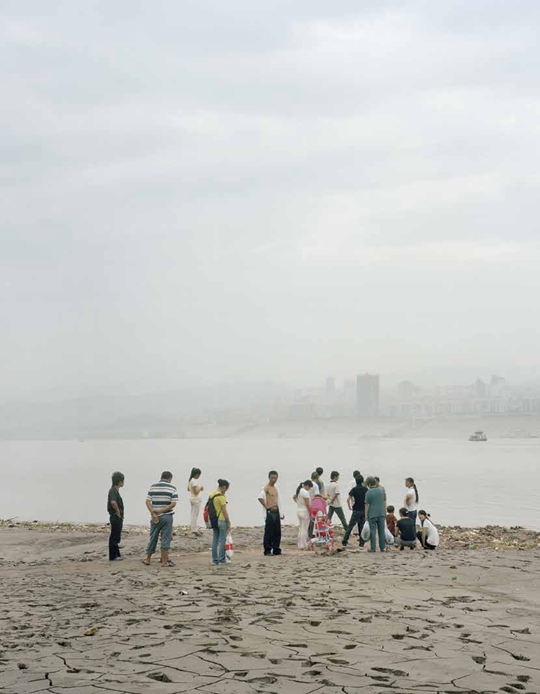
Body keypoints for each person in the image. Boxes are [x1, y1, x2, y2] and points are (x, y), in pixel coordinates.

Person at [142, 471, 178, 568]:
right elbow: (173, 503)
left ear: (161, 477)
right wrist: (161, 510)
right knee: (165, 538)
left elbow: (147, 502)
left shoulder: (153, 487)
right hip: (167, 516)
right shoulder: (172, 488)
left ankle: (148, 559)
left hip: (155, 517)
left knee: (153, 537)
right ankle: (164, 562)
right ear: (170, 478)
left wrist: (153, 513)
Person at [257, 470, 284, 556]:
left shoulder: (275, 487)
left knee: (277, 531)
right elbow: (260, 497)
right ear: (269, 478)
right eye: (272, 478)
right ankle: (267, 550)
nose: (273, 480)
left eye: (275, 478)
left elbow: (278, 500)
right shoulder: (266, 488)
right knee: (269, 531)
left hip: (276, 511)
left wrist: (281, 512)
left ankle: (276, 549)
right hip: (270, 512)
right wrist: (266, 506)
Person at [341, 474, 367, 548]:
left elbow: (348, 499)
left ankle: (344, 541)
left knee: (350, 526)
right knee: (362, 527)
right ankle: (361, 544)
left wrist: (350, 507)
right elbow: (367, 501)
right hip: (363, 510)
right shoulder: (366, 489)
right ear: (362, 481)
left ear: (356, 481)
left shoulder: (354, 489)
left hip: (356, 510)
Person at [210, 479, 232, 565]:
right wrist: (229, 522)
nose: (226, 491)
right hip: (222, 520)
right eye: (226, 489)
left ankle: (215, 560)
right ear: (224, 487)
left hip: (214, 520)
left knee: (215, 540)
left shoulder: (212, 495)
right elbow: (224, 511)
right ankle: (222, 559)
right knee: (222, 540)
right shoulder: (221, 497)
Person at [365, 476, 387, 553]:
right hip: (381, 513)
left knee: (373, 531)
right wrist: (385, 512)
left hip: (372, 514)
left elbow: (367, 505)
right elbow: (384, 502)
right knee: (381, 531)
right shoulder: (382, 490)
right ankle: (382, 548)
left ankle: (373, 548)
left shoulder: (368, 492)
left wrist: (366, 515)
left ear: (369, 484)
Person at [107, 471, 124, 562]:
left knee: (116, 536)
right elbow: (113, 502)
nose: (123, 483)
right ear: (120, 481)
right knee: (114, 536)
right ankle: (113, 556)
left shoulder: (115, 490)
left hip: (116, 516)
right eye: (123, 481)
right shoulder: (113, 490)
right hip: (115, 516)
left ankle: (117, 554)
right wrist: (118, 512)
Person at [293, 480, 312, 550]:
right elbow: (307, 504)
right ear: (307, 485)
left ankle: (300, 544)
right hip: (305, 511)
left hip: (299, 510)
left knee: (301, 528)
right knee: (305, 529)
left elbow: (294, 497)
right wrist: (311, 512)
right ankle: (303, 544)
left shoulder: (299, 490)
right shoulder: (305, 493)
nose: (309, 489)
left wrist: (298, 503)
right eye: (309, 487)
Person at [187, 467, 204, 536]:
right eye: (199, 474)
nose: (199, 476)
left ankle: (194, 528)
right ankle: (194, 530)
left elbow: (188, 489)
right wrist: (200, 488)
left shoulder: (190, 480)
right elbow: (196, 492)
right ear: (196, 474)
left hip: (192, 498)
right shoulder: (194, 481)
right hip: (196, 499)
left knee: (193, 514)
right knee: (195, 515)